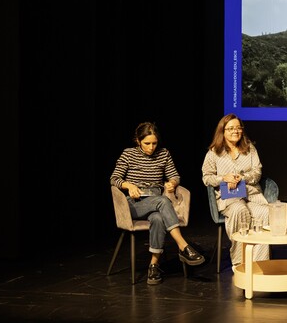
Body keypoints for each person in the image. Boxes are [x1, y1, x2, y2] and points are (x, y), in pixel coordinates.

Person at [109, 121, 205, 285]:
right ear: (138, 141)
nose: (151, 147)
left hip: (156, 200)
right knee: (162, 201)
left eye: (154, 143)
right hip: (135, 203)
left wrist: (172, 184)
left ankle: (153, 266)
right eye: (147, 143)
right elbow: (114, 178)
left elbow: (174, 176)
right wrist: (129, 185)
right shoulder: (128, 154)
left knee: (158, 218)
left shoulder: (163, 154)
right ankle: (183, 246)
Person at [201, 114, 271, 267]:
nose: (236, 131)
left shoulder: (249, 148)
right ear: (223, 131)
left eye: (238, 128)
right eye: (231, 128)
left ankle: (260, 262)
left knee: (264, 213)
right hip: (230, 198)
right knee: (239, 210)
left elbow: (257, 172)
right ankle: (240, 262)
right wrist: (223, 178)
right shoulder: (214, 152)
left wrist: (242, 177)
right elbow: (206, 177)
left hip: (251, 195)